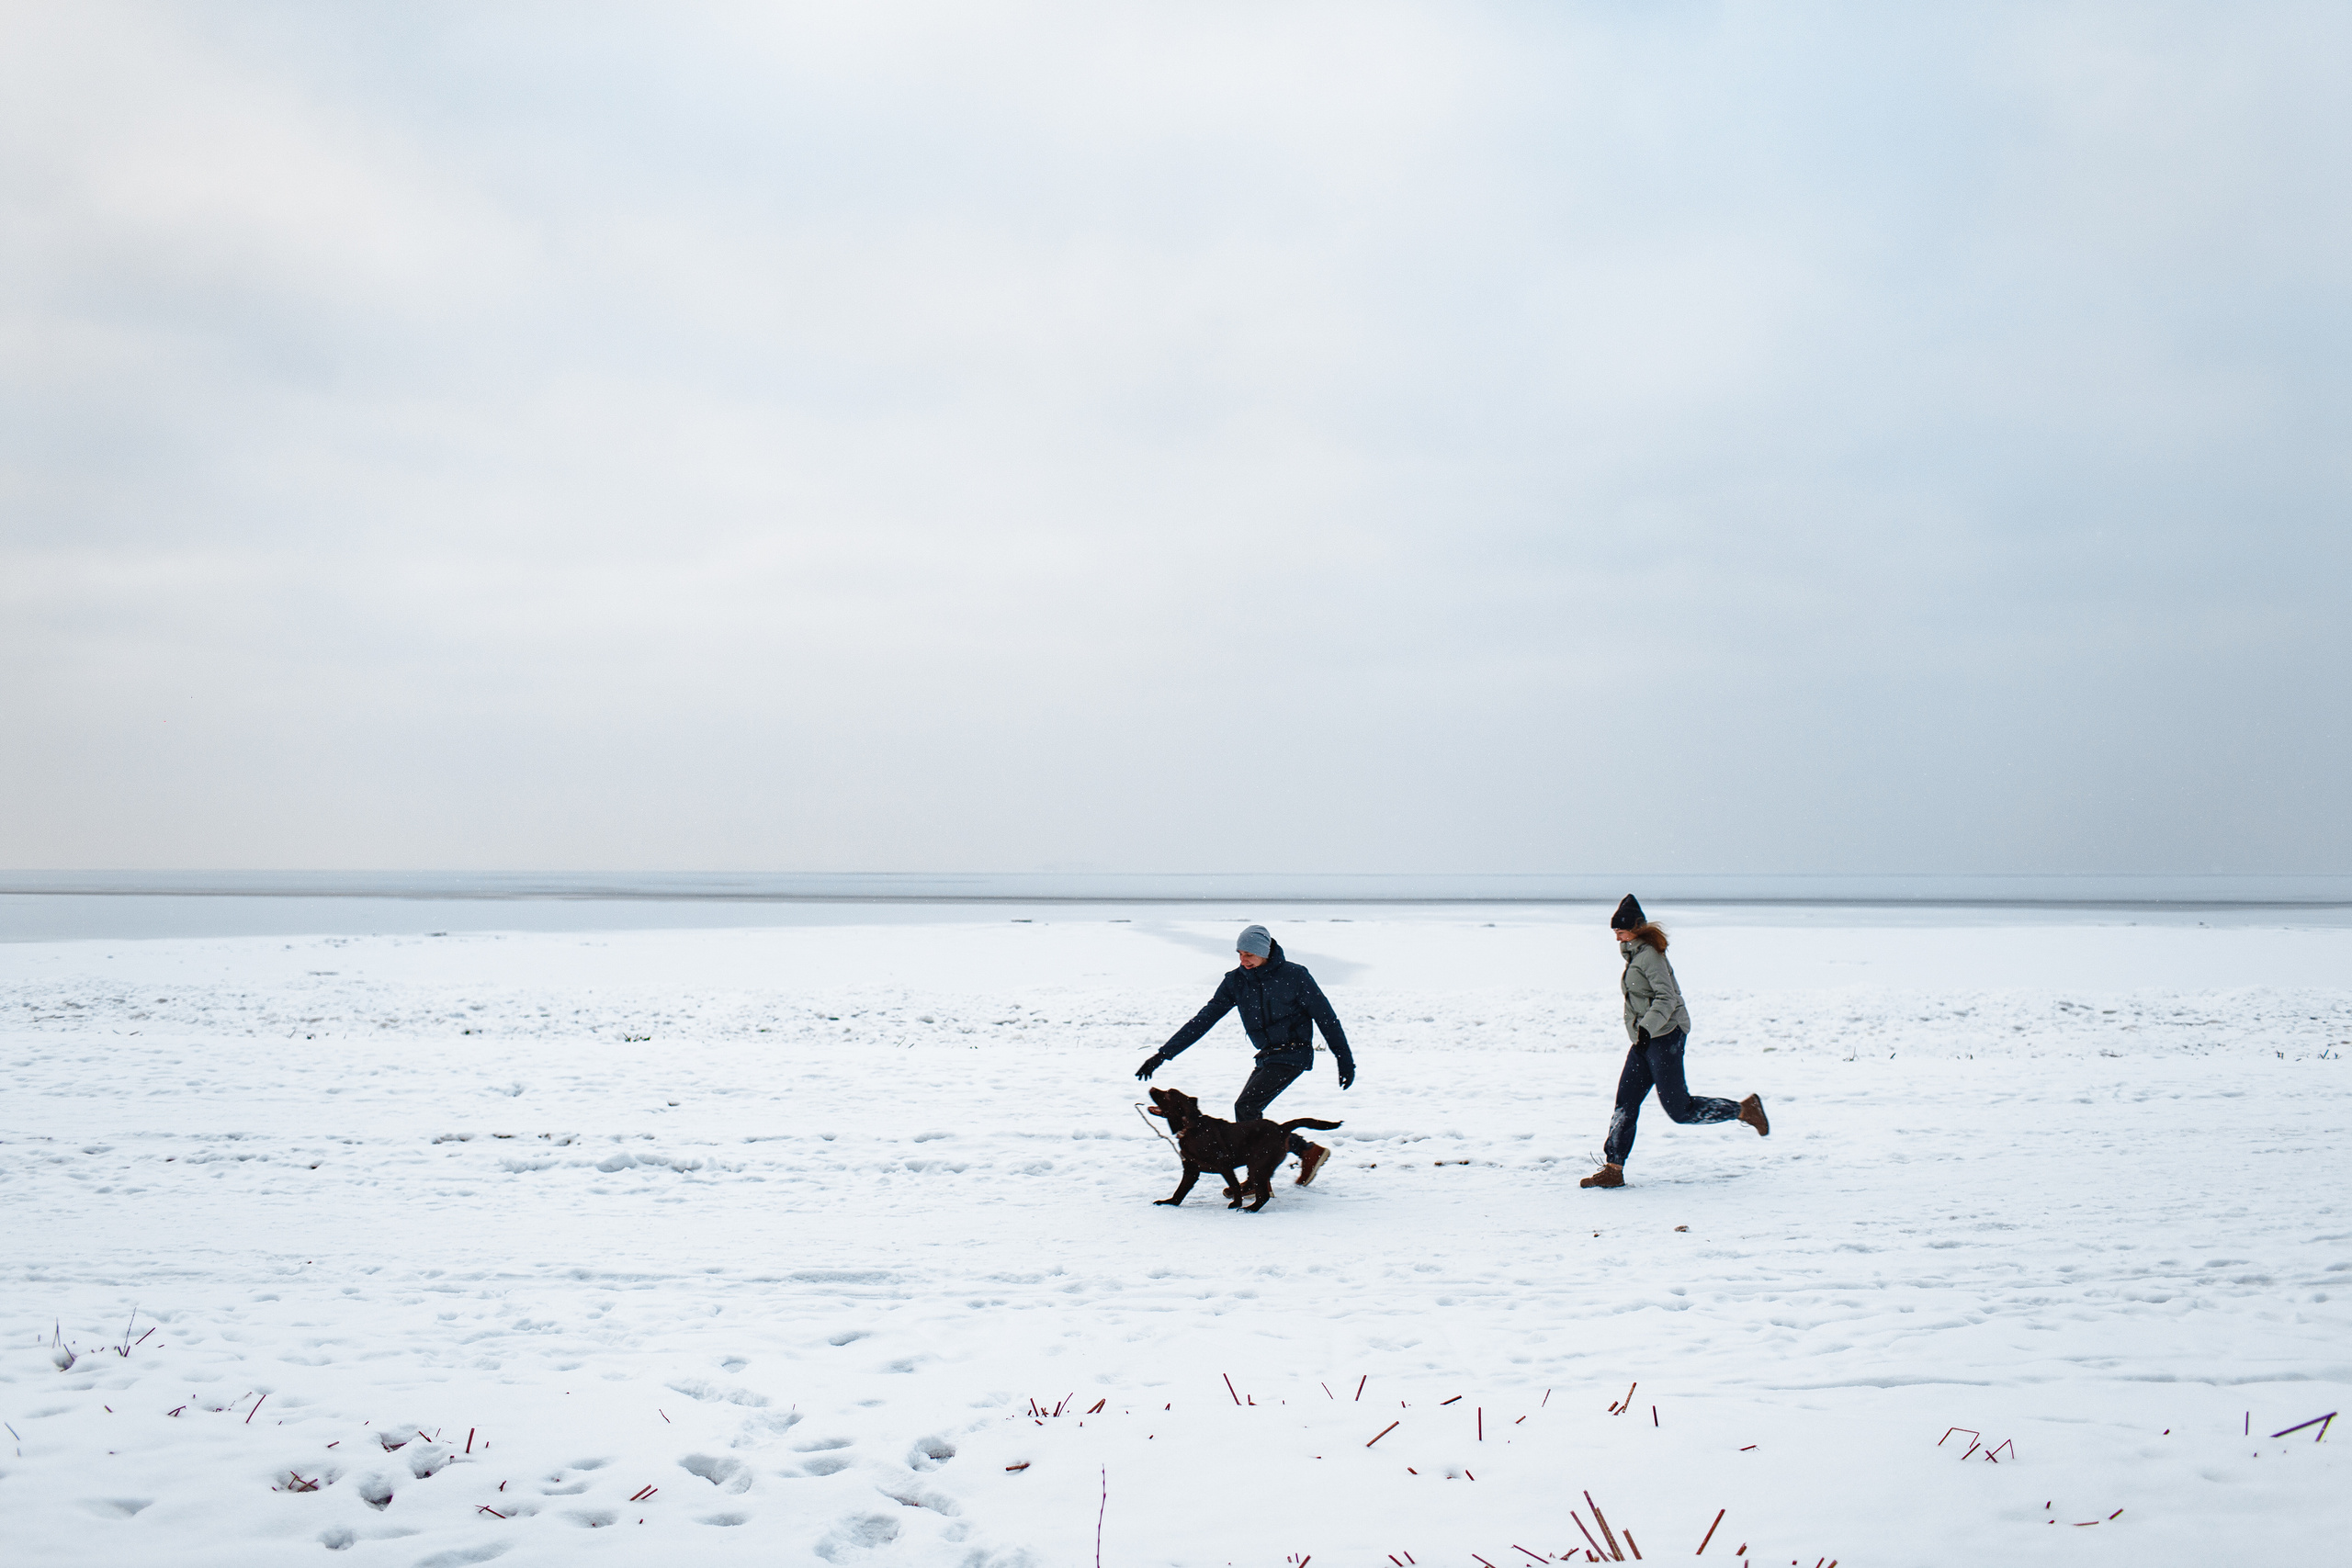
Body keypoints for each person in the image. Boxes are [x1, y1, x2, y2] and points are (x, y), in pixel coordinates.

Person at [1136, 924, 1354, 1185]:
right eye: (1239, 953)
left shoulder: (1295, 976)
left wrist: (1344, 1059)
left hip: (1294, 1053)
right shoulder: (1236, 981)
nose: (1243, 960)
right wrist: (1163, 1054)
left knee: (1246, 1107)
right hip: (1266, 1055)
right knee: (1248, 1110)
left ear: (1265, 952)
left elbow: (1326, 1018)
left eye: (1249, 954)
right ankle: (1307, 1151)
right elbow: (1203, 1020)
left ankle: (1259, 1178)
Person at [1581, 896, 1769, 1190]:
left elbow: (1667, 998)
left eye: (1621, 930)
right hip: (1645, 1038)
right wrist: (1641, 1032)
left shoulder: (1650, 956)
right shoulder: (1634, 954)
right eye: (1615, 931)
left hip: (1665, 1036)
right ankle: (1613, 1168)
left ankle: (1744, 1110)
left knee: (1680, 1110)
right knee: (1626, 1103)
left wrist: (1647, 1028)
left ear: (1638, 929)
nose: (1616, 935)